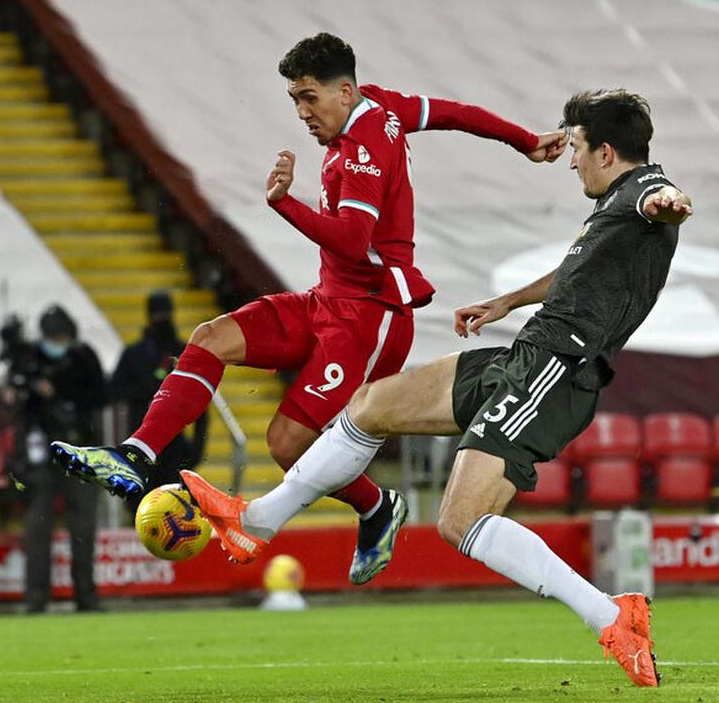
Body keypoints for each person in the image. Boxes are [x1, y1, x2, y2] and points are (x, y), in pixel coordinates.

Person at [182, 89, 691, 688]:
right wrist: (507, 301)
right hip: (524, 355)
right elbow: (579, 271)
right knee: (370, 406)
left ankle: (612, 617)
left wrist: (671, 202)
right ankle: (257, 523)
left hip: (558, 372)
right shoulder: (614, 206)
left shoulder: (642, 197)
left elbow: (667, 206)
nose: (571, 161)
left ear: (606, 151)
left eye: (577, 148)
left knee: (459, 521)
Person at [51, 32, 566, 584]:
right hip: (328, 300)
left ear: (343, 92)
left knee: (287, 443)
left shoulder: (367, 147)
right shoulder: (381, 103)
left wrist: (284, 205)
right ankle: (137, 454)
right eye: (294, 98)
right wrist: (523, 139)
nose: (301, 111)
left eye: (309, 97)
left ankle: (376, 508)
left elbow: (351, 237)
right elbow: (453, 112)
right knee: (210, 338)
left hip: (371, 317)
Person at [3, 305, 107, 613]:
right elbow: (17, 403)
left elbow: (101, 395)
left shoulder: (84, 357)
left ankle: (86, 596)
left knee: (84, 525)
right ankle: (36, 597)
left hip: (81, 450)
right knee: (37, 524)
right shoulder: (29, 358)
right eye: (52, 337)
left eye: (60, 336)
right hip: (42, 452)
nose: (56, 342)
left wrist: (61, 393)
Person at [109, 290, 208, 510]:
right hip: (141, 444)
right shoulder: (134, 354)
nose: (162, 320)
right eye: (158, 314)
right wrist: (147, 390)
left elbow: (202, 400)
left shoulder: (183, 351)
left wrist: (198, 446)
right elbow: (115, 391)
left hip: (175, 447)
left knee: (177, 511)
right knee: (141, 510)